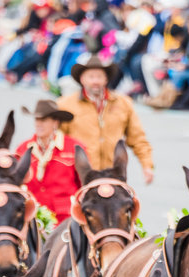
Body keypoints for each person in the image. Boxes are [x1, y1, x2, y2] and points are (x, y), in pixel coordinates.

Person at [57, 54, 155, 184]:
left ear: (106, 79)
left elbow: (137, 138)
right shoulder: (65, 104)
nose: (95, 81)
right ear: (82, 79)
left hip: (113, 175)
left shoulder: (123, 103)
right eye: (91, 77)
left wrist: (147, 165)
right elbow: (57, 141)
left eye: (99, 76)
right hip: (79, 176)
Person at [14, 100, 86, 225]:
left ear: (55, 123)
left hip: (66, 219)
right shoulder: (23, 149)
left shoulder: (75, 148)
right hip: (32, 218)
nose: (39, 124)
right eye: (37, 120)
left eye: (44, 120)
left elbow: (84, 186)